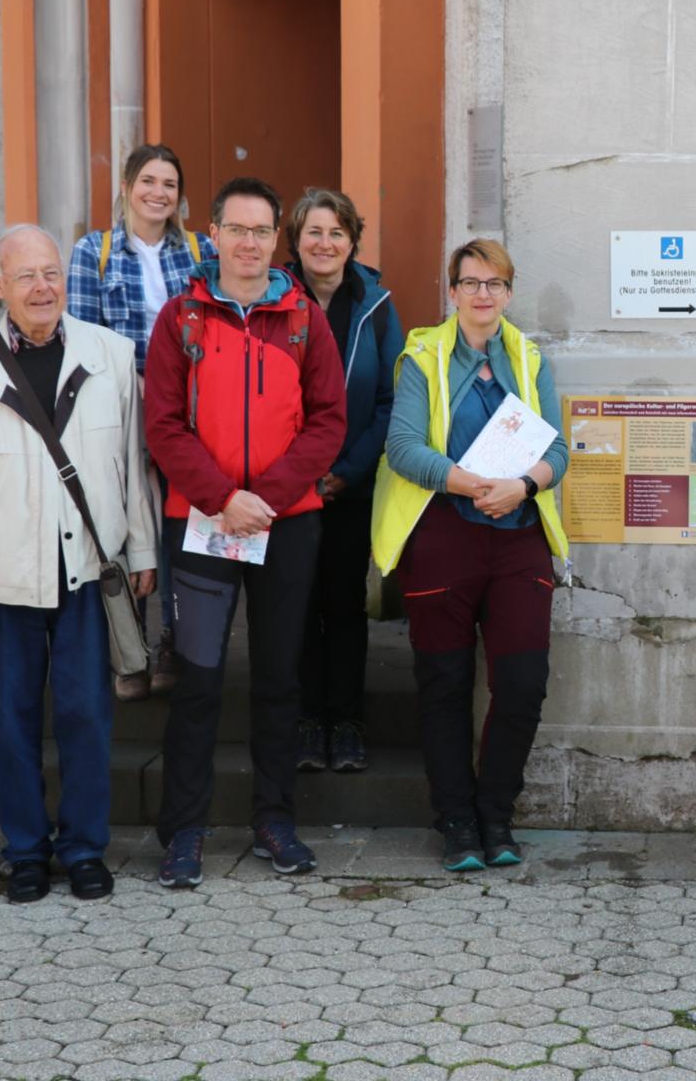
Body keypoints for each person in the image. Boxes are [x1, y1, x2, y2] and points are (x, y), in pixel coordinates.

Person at [0, 225, 159, 903]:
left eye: (51, 273)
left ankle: (85, 848)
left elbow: (133, 466)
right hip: (2, 577)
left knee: (88, 715)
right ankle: (25, 852)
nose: (42, 287)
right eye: (25, 275)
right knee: (10, 718)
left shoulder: (111, 356)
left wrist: (140, 548)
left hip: (88, 570)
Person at [143, 177, 345, 889]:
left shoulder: (302, 320)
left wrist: (268, 498)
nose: (251, 243)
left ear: (273, 241)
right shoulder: (181, 319)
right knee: (197, 678)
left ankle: (274, 818)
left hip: (286, 528)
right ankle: (185, 831)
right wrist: (223, 497)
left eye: (263, 231)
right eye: (239, 229)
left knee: (279, 677)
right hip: (202, 524)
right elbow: (162, 425)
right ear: (214, 234)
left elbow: (329, 422)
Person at [371, 239, 568, 873]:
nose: (483, 294)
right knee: (445, 685)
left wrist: (523, 485)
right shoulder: (421, 357)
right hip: (442, 539)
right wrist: (469, 483)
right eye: (470, 282)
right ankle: (456, 822)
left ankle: (496, 815)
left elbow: (558, 450)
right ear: (452, 291)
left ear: (509, 293)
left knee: (522, 683)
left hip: (517, 539)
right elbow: (402, 446)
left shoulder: (530, 359)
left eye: (495, 283)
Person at [68, 143, 214, 698]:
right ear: (127, 187)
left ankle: (175, 639)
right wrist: (138, 383)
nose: (159, 193)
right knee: (127, 521)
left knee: (179, 520)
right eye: (148, 181)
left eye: (170, 184)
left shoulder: (201, 249)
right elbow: (82, 337)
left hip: (191, 408)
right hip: (120, 404)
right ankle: (130, 646)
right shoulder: (93, 251)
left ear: (181, 196)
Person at [284, 188, 404, 775]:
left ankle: (348, 720)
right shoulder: (274, 300)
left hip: (351, 486)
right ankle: (308, 720)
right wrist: (300, 474)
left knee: (346, 604)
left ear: (353, 240)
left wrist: (346, 472)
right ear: (296, 240)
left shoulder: (377, 306)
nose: (325, 243)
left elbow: (390, 400)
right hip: (287, 487)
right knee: (298, 605)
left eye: (336, 232)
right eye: (314, 232)